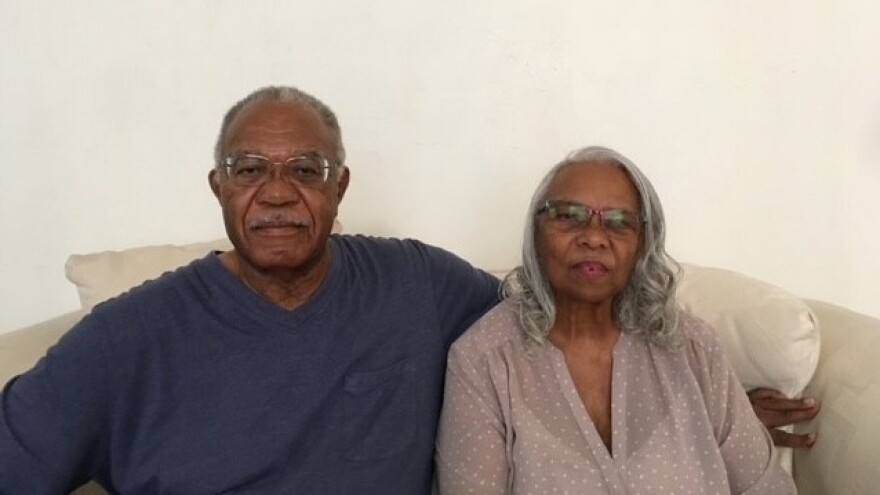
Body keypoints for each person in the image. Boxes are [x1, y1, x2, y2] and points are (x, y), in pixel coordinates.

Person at [0, 87, 814, 494]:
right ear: (217, 185)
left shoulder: (418, 287)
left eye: (305, 170)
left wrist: (711, 403)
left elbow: (564, 310)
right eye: (251, 169)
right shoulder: (129, 335)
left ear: (341, 185)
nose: (278, 193)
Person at [435, 146, 797, 493]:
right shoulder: (484, 361)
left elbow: (764, 488)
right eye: (569, 216)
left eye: (620, 222)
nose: (594, 237)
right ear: (535, 232)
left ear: (643, 244)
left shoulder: (694, 350)